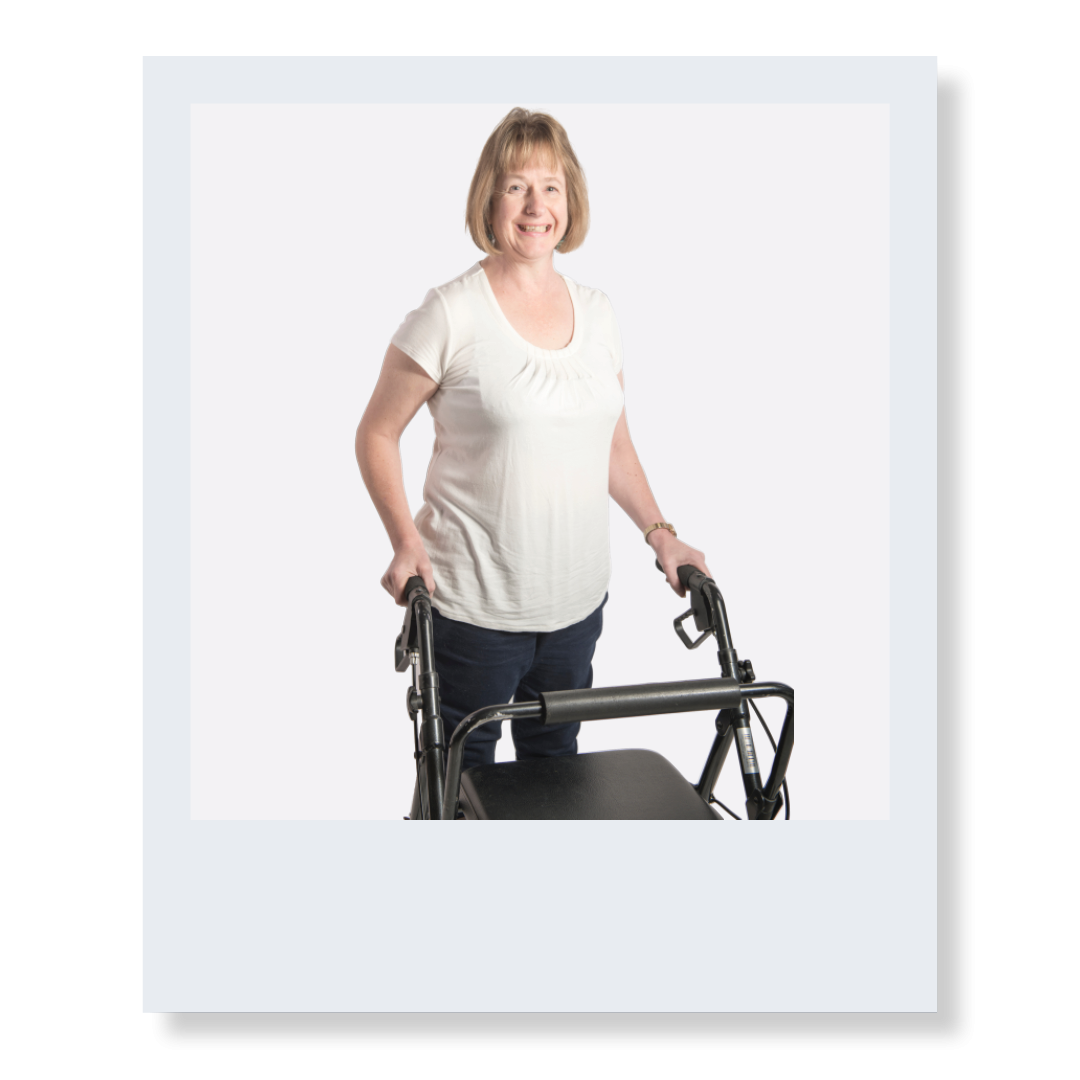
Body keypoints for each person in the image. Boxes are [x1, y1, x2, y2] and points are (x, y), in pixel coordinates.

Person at [355, 107, 710, 777]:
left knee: (557, 775)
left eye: (550, 186)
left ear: (570, 200)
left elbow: (614, 445)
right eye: (516, 186)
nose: (535, 205)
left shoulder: (598, 312)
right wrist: (405, 541)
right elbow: (376, 432)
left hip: (576, 607)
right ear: (489, 199)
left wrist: (662, 534)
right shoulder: (450, 312)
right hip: (474, 611)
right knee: (463, 785)